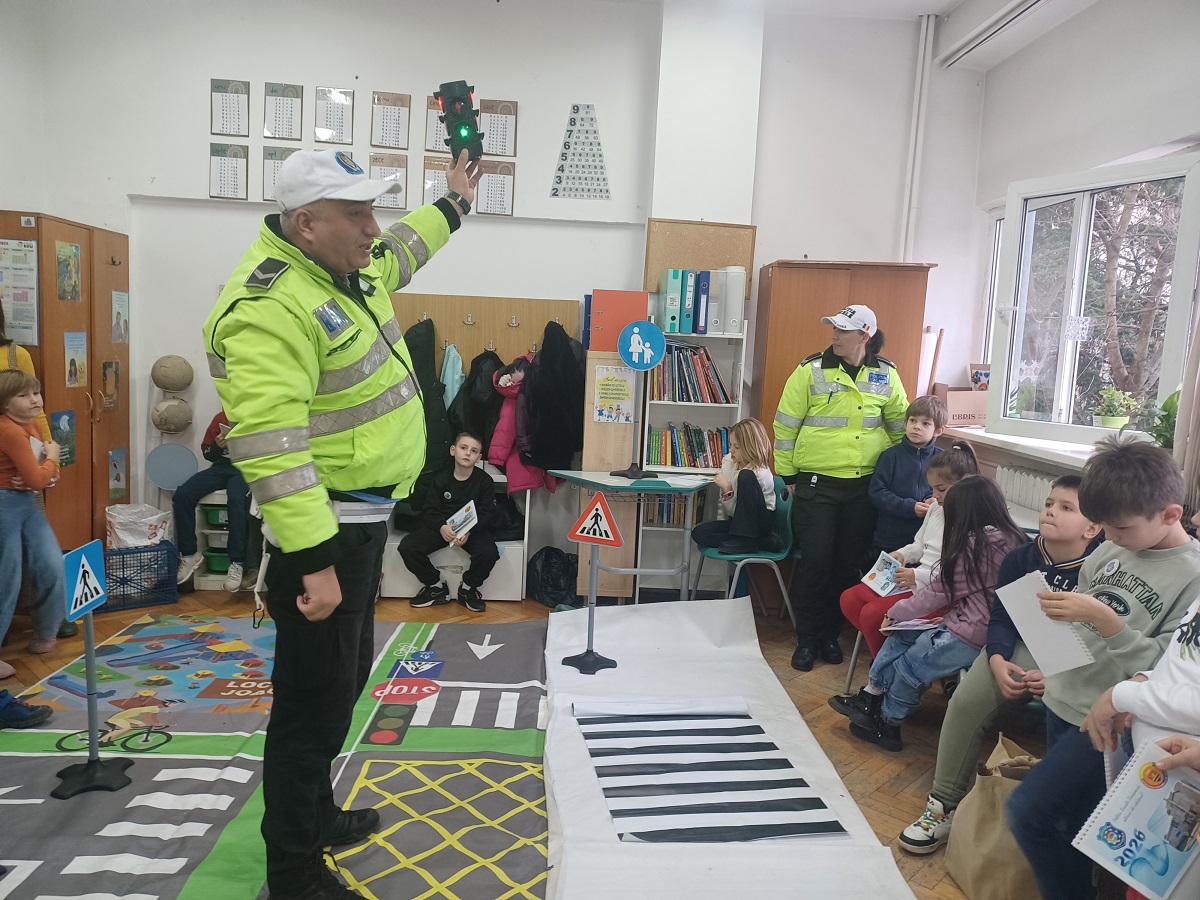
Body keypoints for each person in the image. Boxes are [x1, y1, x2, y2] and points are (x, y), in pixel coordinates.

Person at [203, 147, 480, 900]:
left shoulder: (345, 268)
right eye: (356, 213)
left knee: (342, 687)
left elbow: (405, 247)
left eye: (371, 210)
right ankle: (292, 873)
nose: (372, 227)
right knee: (309, 711)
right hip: (319, 536)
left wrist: (456, 201)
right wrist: (315, 560)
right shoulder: (268, 306)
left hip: (359, 525)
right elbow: (271, 447)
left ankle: (317, 817)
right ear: (306, 222)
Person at [1004, 438, 1200, 900]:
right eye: (1104, 526)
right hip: (1063, 700)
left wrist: (1108, 621)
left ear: (1170, 514)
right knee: (1075, 824)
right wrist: (1052, 669)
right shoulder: (1109, 549)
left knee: (1027, 813)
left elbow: (1164, 670)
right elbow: (1080, 633)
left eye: (1121, 527)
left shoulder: (1192, 576)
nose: (1110, 537)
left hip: (1110, 724)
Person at [897, 474, 1102, 854]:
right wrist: (995, 659)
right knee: (964, 705)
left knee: (1075, 725)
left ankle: (1060, 828)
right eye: (1049, 503)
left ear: (1093, 527)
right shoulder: (1020, 558)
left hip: (1080, 660)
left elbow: (1099, 640)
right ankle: (943, 806)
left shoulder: (1105, 566)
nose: (1051, 511)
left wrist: (1055, 676)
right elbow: (1002, 619)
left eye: (1066, 507)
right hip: (1017, 648)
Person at [832, 475, 1027, 752]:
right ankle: (871, 696)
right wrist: (944, 617)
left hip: (972, 633)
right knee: (902, 637)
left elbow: (940, 591)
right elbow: (974, 592)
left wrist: (896, 612)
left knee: (909, 665)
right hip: (970, 622)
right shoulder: (1012, 537)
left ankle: (888, 723)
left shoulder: (976, 547)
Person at [773, 304, 909, 671]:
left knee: (846, 564)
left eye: (843, 330)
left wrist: (899, 476)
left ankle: (830, 635)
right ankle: (807, 639)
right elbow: (784, 426)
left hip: (864, 486)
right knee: (816, 562)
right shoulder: (810, 370)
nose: (834, 335)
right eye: (833, 328)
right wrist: (788, 476)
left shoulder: (886, 374)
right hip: (817, 483)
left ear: (864, 335)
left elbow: (901, 429)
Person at [839, 437, 978, 661]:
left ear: (965, 484)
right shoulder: (936, 509)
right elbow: (919, 544)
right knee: (849, 598)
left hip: (938, 592)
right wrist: (902, 554)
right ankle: (890, 655)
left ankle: (885, 663)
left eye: (941, 489)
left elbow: (955, 576)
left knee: (872, 614)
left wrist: (916, 575)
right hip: (917, 581)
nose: (934, 496)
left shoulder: (971, 522)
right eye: (932, 488)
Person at [0, 370, 66, 675]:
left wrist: (44, 474)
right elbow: (41, 474)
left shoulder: (32, 425)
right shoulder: (9, 430)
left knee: (51, 564)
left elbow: (42, 477)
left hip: (25, 504)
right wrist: (53, 456)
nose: (34, 400)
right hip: (5, 506)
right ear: (5, 402)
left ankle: (47, 630)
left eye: (36, 393)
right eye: (23, 395)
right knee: (7, 577)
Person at [400, 432, 500, 613]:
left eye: (474, 451)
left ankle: (468, 588)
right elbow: (429, 510)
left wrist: (468, 531)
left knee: (489, 552)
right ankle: (436, 587)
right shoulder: (440, 479)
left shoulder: (485, 481)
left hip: (470, 530)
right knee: (408, 547)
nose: (467, 453)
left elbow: (488, 514)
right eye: (463, 448)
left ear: (479, 458)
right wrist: (441, 527)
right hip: (444, 528)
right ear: (453, 450)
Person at [174, 410, 252, 592]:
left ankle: (237, 562)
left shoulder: (260, 415)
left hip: (246, 469)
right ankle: (189, 554)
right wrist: (217, 446)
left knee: (237, 499)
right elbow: (208, 454)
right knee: (182, 495)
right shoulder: (221, 417)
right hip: (222, 467)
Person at [867, 395, 946, 556]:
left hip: (926, 539)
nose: (917, 427)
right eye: (913, 420)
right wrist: (910, 507)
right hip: (890, 537)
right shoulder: (890, 456)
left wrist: (933, 499)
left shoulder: (942, 459)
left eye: (925, 423)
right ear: (905, 423)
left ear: (938, 430)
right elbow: (877, 492)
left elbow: (950, 491)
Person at [691, 417, 777, 555]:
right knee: (699, 533)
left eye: (736, 447)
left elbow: (746, 512)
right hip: (737, 522)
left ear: (750, 447)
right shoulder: (729, 465)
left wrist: (728, 488)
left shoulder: (760, 473)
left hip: (758, 524)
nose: (731, 450)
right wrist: (726, 493)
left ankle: (747, 540)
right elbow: (731, 512)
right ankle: (759, 543)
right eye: (730, 445)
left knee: (746, 475)